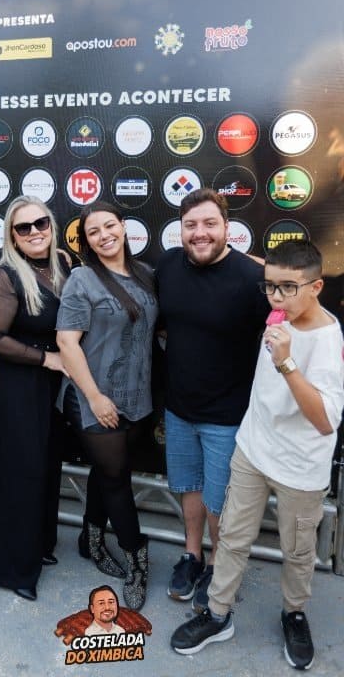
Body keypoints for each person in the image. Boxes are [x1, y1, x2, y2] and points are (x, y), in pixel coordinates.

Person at [170, 240, 344, 670]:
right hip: (252, 449)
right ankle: (218, 614)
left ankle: (293, 613)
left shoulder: (327, 337)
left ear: (317, 287)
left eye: (288, 288)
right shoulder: (281, 302)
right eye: (269, 287)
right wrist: (224, 245)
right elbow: (277, 271)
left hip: (301, 466)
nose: (276, 298)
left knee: (298, 550)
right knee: (230, 536)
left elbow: (326, 421)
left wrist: (286, 363)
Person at [156, 188, 269, 612]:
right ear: (180, 230)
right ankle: (193, 555)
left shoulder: (253, 278)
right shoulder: (168, 265)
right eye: (190, 225)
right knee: (189, 487)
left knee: (221, 501)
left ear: (227, 228)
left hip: (228, 415)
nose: (199, 233)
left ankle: (221, 566)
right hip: (179, 409)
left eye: (209, 224)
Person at [56, 201, 158, 611]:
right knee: (117, 479)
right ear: (85, 240)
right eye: (93, 232)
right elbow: (66, 343)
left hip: (136, 397)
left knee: (108, 471)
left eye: (109, 226)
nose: (104, 236)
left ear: (123, 227)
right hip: (91, 397)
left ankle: (91, 540)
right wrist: (95, 398)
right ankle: (137, 561)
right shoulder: (82, 279)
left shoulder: (146, 273)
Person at [0, 196, 70, 601]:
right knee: (21, 474)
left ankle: (39, 546)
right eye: (23, 227)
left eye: (40, 223)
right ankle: (12, 569)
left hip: (52, 387)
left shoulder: (63, 265)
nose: (34, 232)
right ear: (12, 237)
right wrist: (45, 358)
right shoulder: (6, 276)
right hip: (19, 386)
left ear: (51, 226)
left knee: (47, 467)